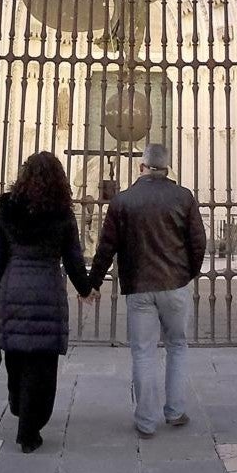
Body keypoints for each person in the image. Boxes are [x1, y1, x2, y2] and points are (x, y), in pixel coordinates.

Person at [0, 152, 95, 453]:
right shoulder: (62, 212)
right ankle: (30, 429)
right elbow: (73, 259)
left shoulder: (7, 207)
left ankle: (19, 404)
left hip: (13, 290)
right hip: (47, 292)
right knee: (43, 366)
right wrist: (85, 289)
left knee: (16, 357)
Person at [89, 143, 207, 438]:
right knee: (177, 346)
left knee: (143, 352)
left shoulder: (123, 201)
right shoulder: (183, 197)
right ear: (167, 169)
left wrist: (93, 282)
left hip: (139, 286)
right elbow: (198, 242)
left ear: (141, 167)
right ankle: (175, 411)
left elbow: (106, 247)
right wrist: (188, 273)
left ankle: (145, 421)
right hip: (175, 283)